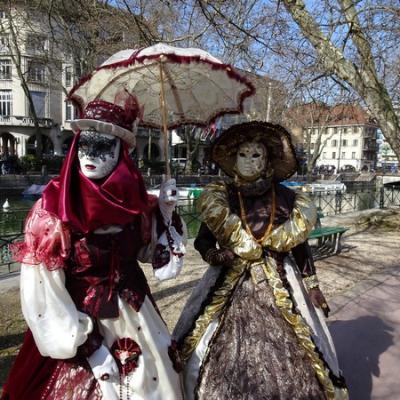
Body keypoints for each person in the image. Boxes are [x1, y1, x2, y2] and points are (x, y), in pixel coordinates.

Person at [1, 96, 186, 400]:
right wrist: (89, 347)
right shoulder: (51, 211)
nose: (91, 155)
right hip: (75, 321)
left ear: (120, 153)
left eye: (103, 147)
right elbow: (43, 291)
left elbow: (157, 262)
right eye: (84, 145)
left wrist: (164, 215)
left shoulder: (136, 206)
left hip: (136, 314)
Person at [173, 121, 348, 400]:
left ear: (267, 159)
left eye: (256, 155)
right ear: (233, 159)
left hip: (279, 281)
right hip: (229, 282)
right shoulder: (223, 197)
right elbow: (203, 240)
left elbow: (300, 247)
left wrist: (312, 286)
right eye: (243, 155)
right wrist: (215, 255)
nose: (248, 162)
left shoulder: (289, 199)